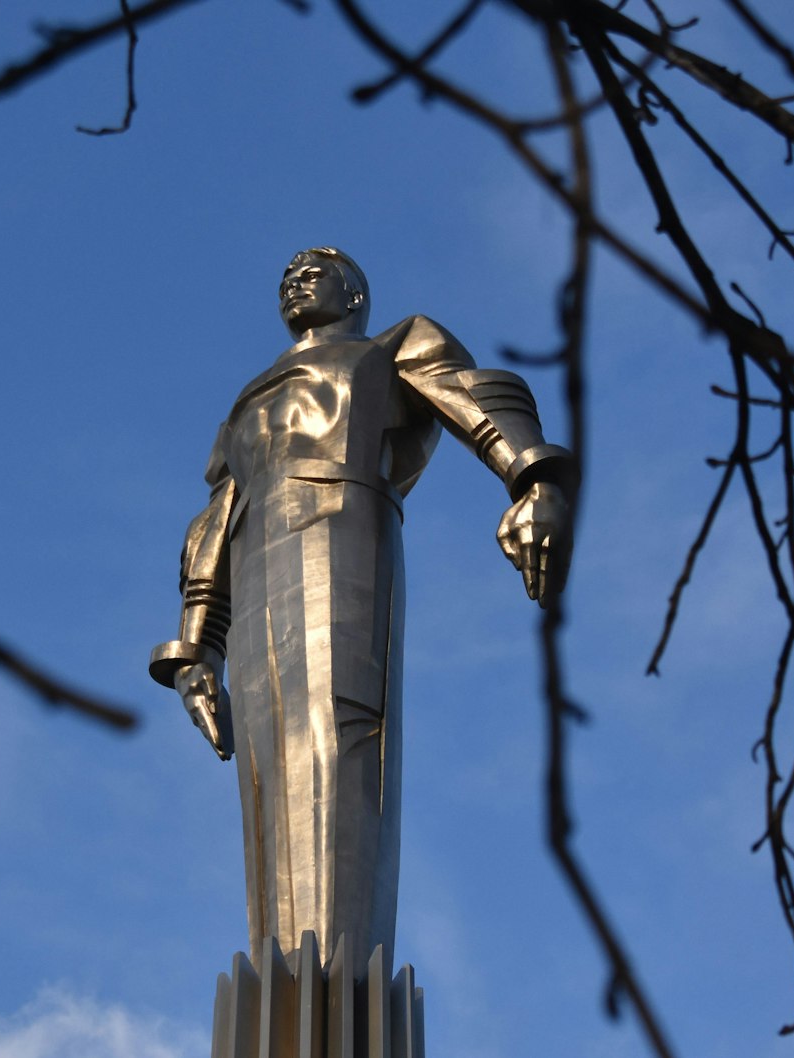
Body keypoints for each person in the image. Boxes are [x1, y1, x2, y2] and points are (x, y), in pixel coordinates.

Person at [150, 247, 575, 964]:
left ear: (355, 296)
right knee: (266, 767)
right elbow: (217, 514)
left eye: (314, 272)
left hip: (340, 527)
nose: (294, 282)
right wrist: (197, 645)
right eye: (286, 276)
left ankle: (336, 974)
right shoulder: (247, 403)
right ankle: (286, 981)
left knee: (338, 725)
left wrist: (534, 482)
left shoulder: (391, 349)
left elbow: (475, 396)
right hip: (254, 562)